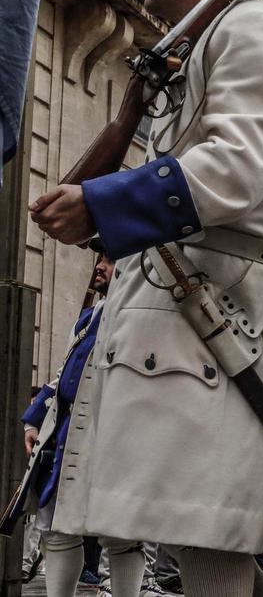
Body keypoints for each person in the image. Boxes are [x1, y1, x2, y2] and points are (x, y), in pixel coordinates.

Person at [28, 0, 263, 594]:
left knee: (211, 528)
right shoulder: (206, 43)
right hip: (191, 312)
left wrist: (106, 204)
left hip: (232, 311)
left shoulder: (252, 29)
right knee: (200, 530)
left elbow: (236, 170)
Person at [14, 245, 147, 597]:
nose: (99, 267)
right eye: (99, 260)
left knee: (121, 534)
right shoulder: (89, 317)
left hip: (115, 436)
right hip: (69, 437)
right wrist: (34, 420)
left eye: (108, 260)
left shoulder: (141, 315)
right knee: (58, 528)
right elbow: (63, 376)